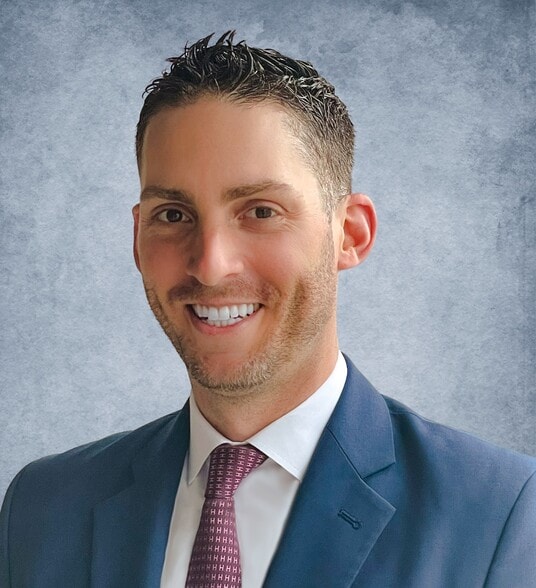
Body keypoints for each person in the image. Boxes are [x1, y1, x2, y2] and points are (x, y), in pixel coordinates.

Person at [1, 31, 535, 588]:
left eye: (260, 211)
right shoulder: (42, 508)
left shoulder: (502, 514)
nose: (210, 266)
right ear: (138, 238)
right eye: (174, 215)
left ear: (350, 234)